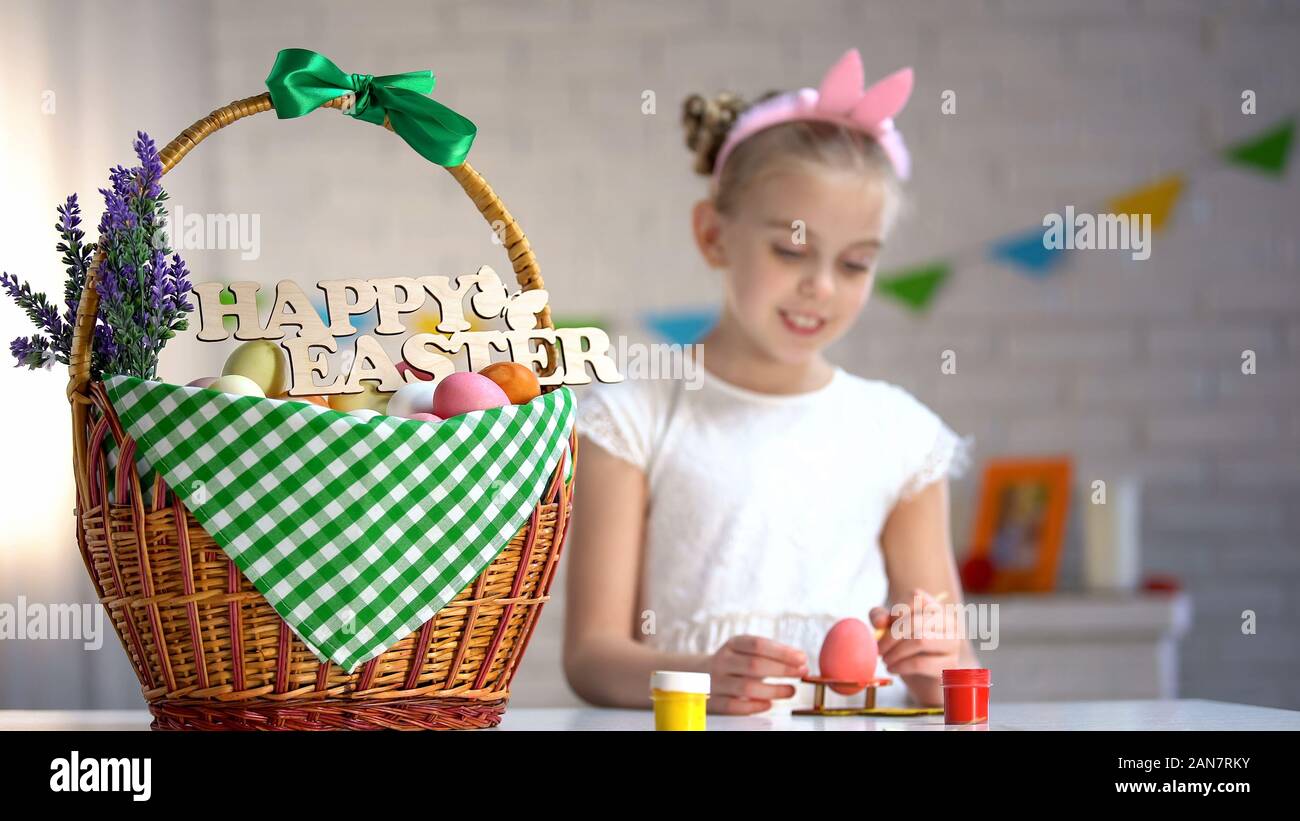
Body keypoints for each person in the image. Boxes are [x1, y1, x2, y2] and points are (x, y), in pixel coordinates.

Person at [564, 49, 977, 714]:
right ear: (712, 235)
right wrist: (702, 677)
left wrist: (935, 661)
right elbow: (591, 656)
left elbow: (957, 677)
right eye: (791, 250)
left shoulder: (901, 436)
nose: (820, 285)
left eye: (855, 263)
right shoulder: (633, 417)